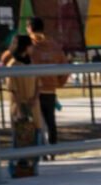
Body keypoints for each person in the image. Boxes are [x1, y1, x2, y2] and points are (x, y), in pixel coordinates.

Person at [25, 18, 69, 154]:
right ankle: (53, 149)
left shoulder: (28, 45)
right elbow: (65, 67)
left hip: (33, 91)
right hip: (50, 90)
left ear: (29, 28)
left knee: (36, 122)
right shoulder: (54, 46)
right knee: (51, 121)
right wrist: (59, 82)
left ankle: (39, 150)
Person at [6, 35, 43, 178]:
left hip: (34, 106)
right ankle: (15, 167)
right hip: (19, 106)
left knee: (36, 135)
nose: (32, 48)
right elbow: (12, 89)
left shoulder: (31, 63)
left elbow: (38, 84)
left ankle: (32, 167)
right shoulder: (13, 65)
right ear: (24, 47)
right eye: (30, 45)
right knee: (19, 138)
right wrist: (20, 109)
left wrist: (34, 98)